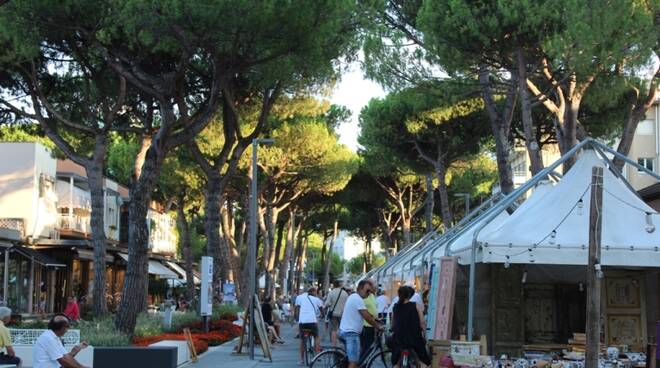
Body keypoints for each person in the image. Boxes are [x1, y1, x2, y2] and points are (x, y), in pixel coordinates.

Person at [339, 280, 383, 368]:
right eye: (367, 291)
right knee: (354, 362)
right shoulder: (357, 299)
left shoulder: (354, 297)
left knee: (353, 357)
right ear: (360, 288)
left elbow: (366, 314)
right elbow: (366, 316)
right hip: (351, 333)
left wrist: (375, 319)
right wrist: (378, 326)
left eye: (370, 291)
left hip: (345, 331)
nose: (369, 293)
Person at [390, 286, 431, 368]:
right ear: (409, 295)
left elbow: (392, 323)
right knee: (423, 361)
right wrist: (425, 334)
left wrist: (393, 329)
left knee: (396, 363)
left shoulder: (395, 307)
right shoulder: (415, 305)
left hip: (399, 338)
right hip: (414, 338)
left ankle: (397, 364)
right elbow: (422, 322)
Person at [294, 287, 323, 365]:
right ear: (313, 292)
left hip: (302, 322)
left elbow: (296, 309)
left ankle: (301, 360)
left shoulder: (300, 298)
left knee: (302, 340)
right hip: (312, 321)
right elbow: (321, 309)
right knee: (316, 336)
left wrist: (297, 319)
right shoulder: (317, 300)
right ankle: (317, 355)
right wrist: (322, 315)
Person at [323, 280, 348, 346]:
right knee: (341, 329)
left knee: (334, 330)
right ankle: (341, 344)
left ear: (334, 285)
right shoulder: (345, 293)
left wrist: (325, 309)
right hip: (342, 314)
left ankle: (334, 345)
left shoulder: (331, 293)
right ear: (340, 285)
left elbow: (327, 303)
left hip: (333, 314)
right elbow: (347, 304)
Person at [359, 280, 379, 363]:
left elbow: (373, 308)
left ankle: (363, 363)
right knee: (366, 348)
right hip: (366, 325)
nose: (375, 287)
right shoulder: (364, 296)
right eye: (373, 285)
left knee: (368, 348)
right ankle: (361, 364)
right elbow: (364, 311)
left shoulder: (372, 295)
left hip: (372, 324)